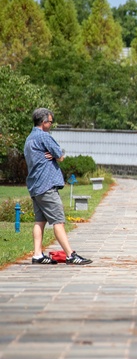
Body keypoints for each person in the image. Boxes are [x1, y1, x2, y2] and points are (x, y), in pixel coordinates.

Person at [24, 108, 93, 265]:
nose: (51, 124)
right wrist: (55, 155)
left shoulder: (29, 138)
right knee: (58, 221)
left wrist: (53, 155)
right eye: (50, 122)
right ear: (43, 122)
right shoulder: (44, 137)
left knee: (39, 221)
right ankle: (70, 255)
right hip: (47, 186)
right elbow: (60, 155)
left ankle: (37, 255)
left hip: (35, 186)